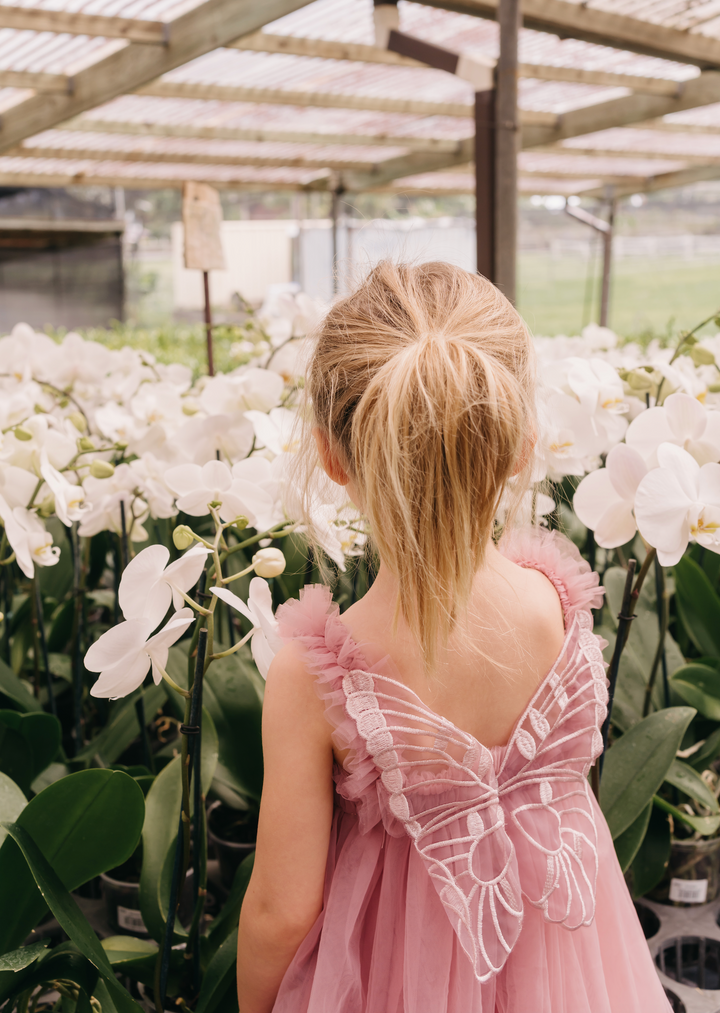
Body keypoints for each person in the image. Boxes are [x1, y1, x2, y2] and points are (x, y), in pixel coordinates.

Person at [236, 261, 671, 1012]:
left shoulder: (315, 678)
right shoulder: (559, 605)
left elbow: (282, 913)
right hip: (573, 971)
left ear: (332, 456)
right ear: (520, 446)